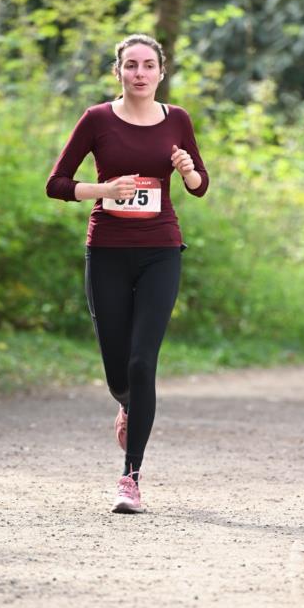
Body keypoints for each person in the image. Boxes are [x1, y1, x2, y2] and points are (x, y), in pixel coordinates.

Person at [45, 33, 209, 513]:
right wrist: (102, 190)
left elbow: (199, 185)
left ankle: (130, 478)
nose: (140, 73)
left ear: (161, 72)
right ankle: (128, 404)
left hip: (161, 250)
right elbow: (56, 183)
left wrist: (186, 170)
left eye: (148, 65)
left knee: (142, 363)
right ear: (118, 71)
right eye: (131, 65)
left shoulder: (176, 119)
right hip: (108, 252)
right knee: (118, 366)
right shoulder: (96, 120)